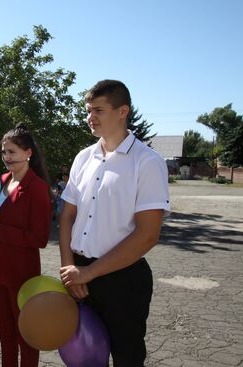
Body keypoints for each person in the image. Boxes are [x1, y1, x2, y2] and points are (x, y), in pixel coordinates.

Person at [58, 80, 171, 367]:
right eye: (87, 110)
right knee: (82, 358)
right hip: (80, 276)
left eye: (98, 110)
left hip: (124, 282)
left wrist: (89, 273)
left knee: (127, 359)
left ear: (123, 111)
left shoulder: (147, 162)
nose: (90, 117)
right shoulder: (84, 157)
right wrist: (71, 269)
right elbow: (67, 217)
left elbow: (147, 236)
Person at [0, 123, 52, 367]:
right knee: (5, 333)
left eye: (12, 152)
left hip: (23, 274)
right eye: (3, 152)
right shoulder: (0, 180)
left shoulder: (38, 188)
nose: (6, 158)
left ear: (28, 152)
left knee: (26, 335)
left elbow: (39, 238)